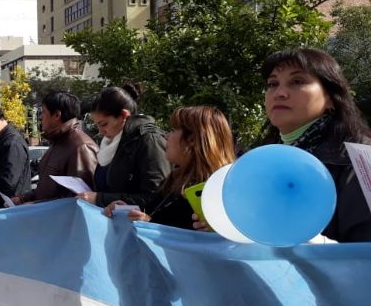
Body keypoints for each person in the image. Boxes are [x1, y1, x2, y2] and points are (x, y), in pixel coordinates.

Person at [257, 48, 371, 242]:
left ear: (331, 98)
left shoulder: (360, 162)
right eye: (272, 84)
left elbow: (361, 260)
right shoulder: (260, 160)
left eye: (297, 81)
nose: (280, 93)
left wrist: (315, 246)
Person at [104, 106, 236, 229]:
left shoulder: (218, 195)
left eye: (173, 130)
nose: (166, 136)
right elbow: (153, 215)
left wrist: (149, 224)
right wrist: (126, 210)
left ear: (191, 140)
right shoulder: (175, 179)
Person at [78, 84, 171, 209]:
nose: (100, 131)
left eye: (104, 124)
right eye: (97, 125)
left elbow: (155, 197)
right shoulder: (113, 142)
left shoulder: (149, 140)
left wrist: (99, 199)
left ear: (123, 115)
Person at [13, 92, 98, 204]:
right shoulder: (58, 141)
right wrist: (23, 198)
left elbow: (80, 199)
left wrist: (35, 205)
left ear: (57, 115)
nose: (40, 116)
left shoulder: (81, 147)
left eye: (43, 111)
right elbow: (47, 189)